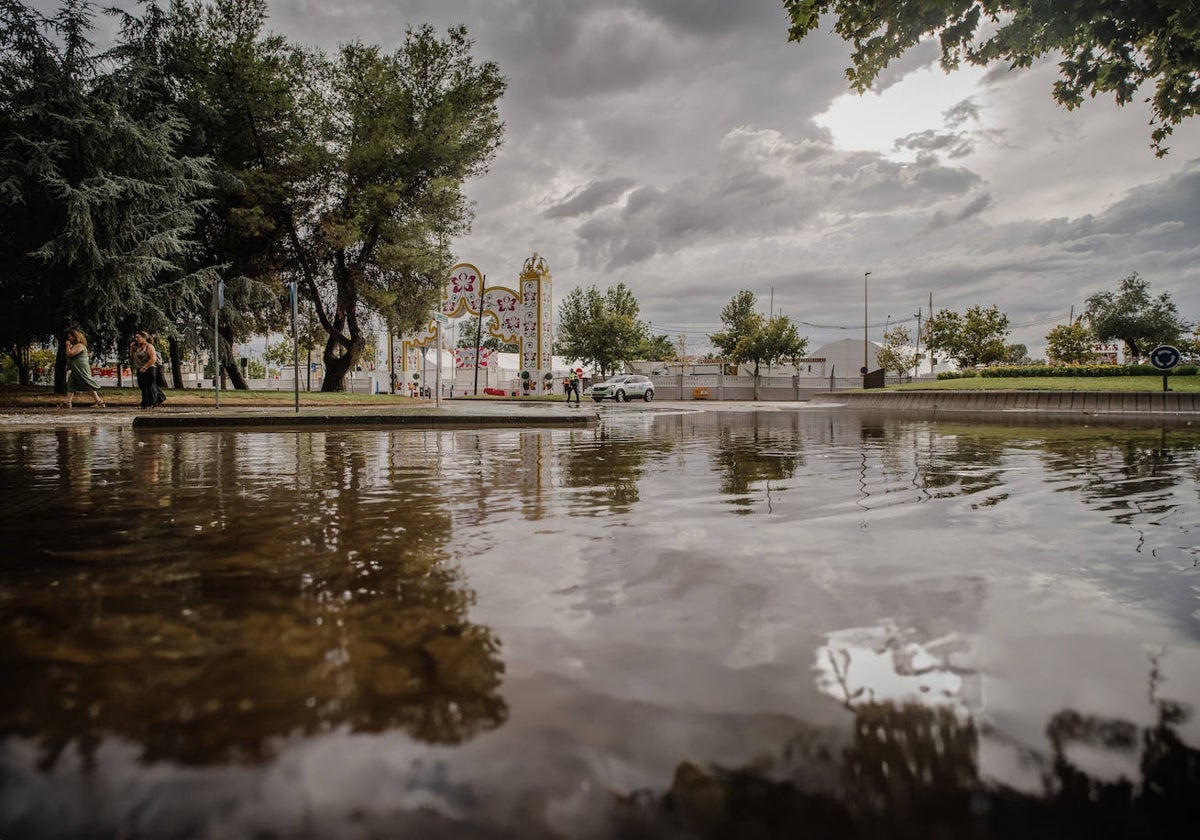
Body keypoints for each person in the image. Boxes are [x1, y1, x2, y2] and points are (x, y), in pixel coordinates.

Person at [60, 329, 105, 408]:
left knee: (86, 383)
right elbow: (72, 358)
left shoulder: (80, 346)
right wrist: (69, 365)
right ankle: (67, 402)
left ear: (75, 337)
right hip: (75, 368)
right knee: (71, 383)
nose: (69, 339)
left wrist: (67, 346)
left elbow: (70, 354)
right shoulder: (74, 346)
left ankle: (99, 402)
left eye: (70, 337)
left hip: (81, 368)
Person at [130, 331, 165, 409]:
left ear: (144, 338)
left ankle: (150, 403)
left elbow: (153, 358)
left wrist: (145, 367)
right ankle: (148, 402)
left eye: (138, 337)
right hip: (140, 368)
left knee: (149, 386)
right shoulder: (136, 347)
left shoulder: (149, 346)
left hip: (150, 368)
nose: (136, 339)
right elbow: (132, 357)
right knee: (143, 386)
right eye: (135, 337)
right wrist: (131, 348)